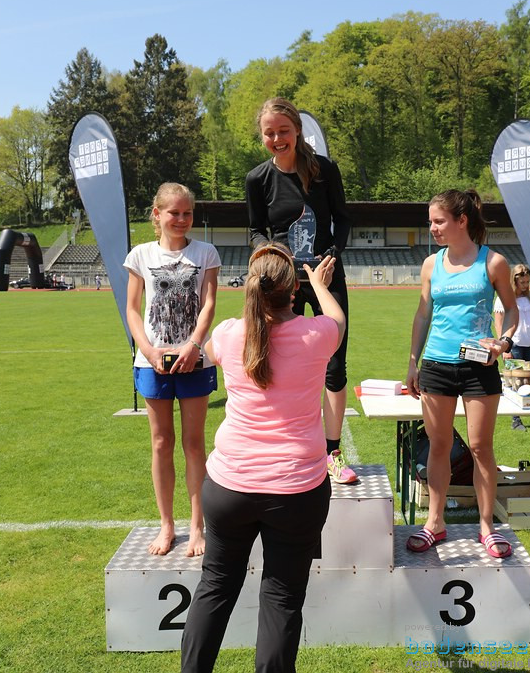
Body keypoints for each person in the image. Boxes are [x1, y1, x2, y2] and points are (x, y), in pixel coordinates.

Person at [180, 244, 345, 673]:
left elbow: (217, 349)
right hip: (295, 490)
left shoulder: (229, 334)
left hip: (229, 485)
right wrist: (320, 286)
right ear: (293, 290)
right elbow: (338, 320)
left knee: (215, 587)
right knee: (282, 598)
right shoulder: (316, 333)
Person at [245, 97, 356, 484]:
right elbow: (256, 229)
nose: (277, 138)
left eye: (283, 131)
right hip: (280, 281)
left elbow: (342, 220)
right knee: (275, 362)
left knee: (335, 365)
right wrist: (269, 254)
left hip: (325, 277)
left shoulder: (324, 171)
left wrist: (333, 253)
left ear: (297, 131)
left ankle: (333, 452)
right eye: (269, 133)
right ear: (262, 136)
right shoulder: (257, 179)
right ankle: (282, 446)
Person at [405, 190, 519, 559]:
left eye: (438, 221)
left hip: (478, 368)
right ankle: (434, 523)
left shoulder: (494, 262)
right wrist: (413, 362)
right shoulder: (430, 265)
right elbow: (423, 315)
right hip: (436, 366)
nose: (432, 228)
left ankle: (487, 526)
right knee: (438, 447)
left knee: (480, 448)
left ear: (461, 221)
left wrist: (502, 343)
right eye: (430, 221)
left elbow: (512, 312)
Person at [124, 183, 220, 557]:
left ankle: (197, 526)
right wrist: (147, 350)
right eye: (173, 213)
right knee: (161, 442)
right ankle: (167, 525)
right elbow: (133, 309)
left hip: (194, 360)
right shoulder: (140, 255)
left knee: (195, 444)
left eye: (187, 213)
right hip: (153, 362)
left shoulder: (205, 252)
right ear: (157, 214)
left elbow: (209, 304)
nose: (181, 219)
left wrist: (194, 346)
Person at [493, 263, 530, 432]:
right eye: (522, 282)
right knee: (516, 383)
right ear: (514, 281)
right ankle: (516, 420)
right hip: (514, 346)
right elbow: (499, 324)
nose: (526, 285)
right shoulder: (504, 298)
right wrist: (504, 349)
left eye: (527, 282)